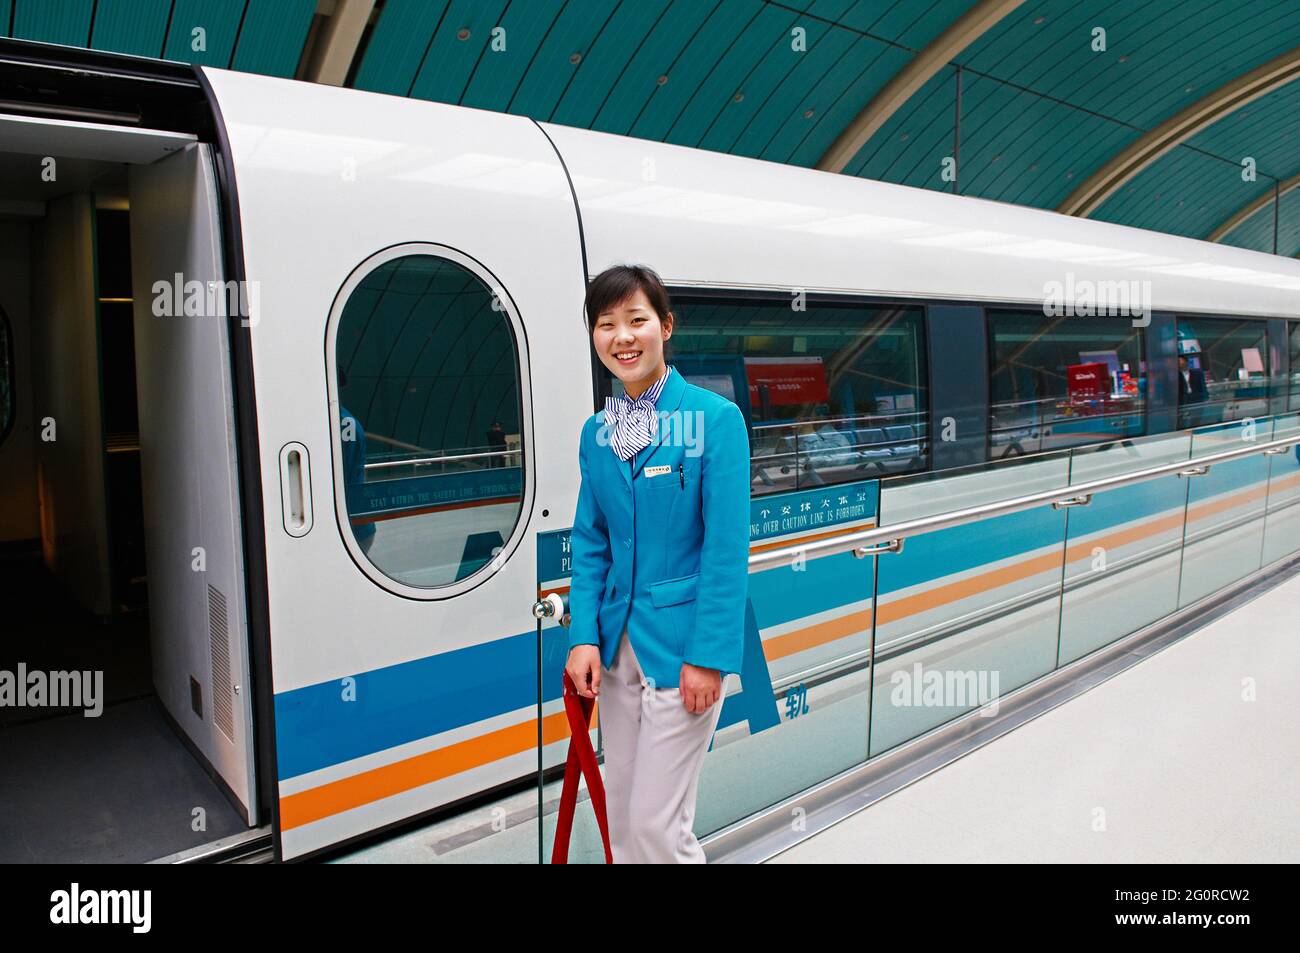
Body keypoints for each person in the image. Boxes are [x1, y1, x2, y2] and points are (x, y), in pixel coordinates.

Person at [564, 263, 750, 864]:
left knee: (654, 827)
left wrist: (709, 657)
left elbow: (726, 549)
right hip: (617, 651)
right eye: (606, 324)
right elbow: (590, 540)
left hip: (683, 653)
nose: (622, 336)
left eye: (636, 320)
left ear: (664, 327)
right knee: (620, 820)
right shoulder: (596, 434)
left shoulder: (715, 422)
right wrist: (583, 638)